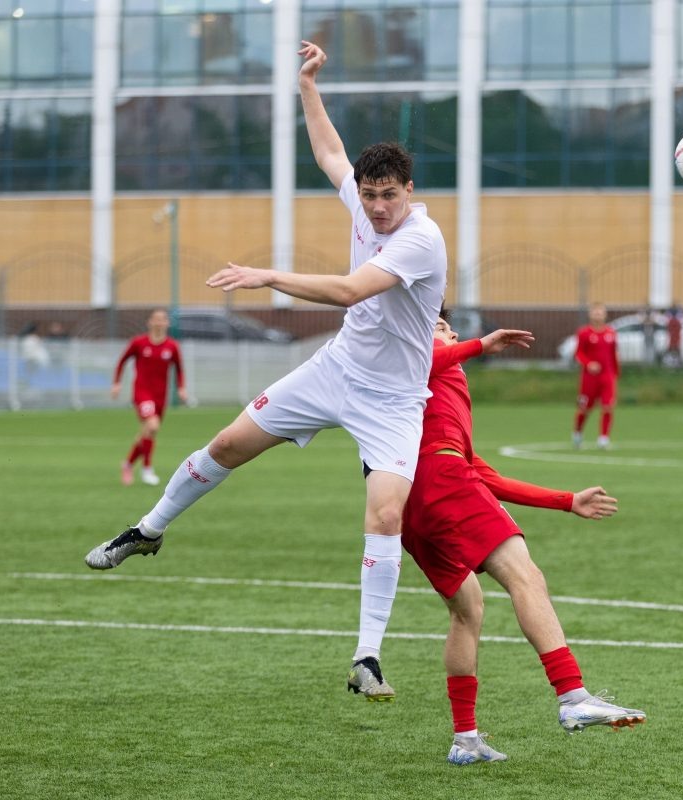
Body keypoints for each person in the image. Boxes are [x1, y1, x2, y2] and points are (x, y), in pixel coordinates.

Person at [84, 40, 448, 702]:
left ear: (409, 192)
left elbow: (347, 292)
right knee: (226, 445)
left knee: (386, 514)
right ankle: (148, 528)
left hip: (395, 401)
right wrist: (308, 86)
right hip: (335, 371)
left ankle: (367, 656)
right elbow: (329, 153)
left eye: (387, 197)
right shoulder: (363, 198)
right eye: (367, 196)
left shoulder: (421, 238)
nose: (374, 208)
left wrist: (268, 275)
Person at [403, 313, 646, 766]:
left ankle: (465, 739)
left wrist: (566, 500)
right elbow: (426, 353)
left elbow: (481, 472)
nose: (450, 332)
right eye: (439, 325)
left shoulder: (440, 382)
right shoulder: (416, 359)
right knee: (525, 577)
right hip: (442, 479)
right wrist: (480, 344)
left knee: (467, 611)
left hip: (411, 502)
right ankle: (573, 695)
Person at [111, 309, 186, 487]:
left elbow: (179, 369)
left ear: (167, 323)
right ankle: (147, 469)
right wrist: (117, 383)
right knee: (152, 425)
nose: (159, 323)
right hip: (142, 392)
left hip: (161, 395)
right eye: (156, 319)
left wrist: (181, 388)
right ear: (149, 322)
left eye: (163, 320)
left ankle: (128, 464)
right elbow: (122, 361)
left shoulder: (172, 346)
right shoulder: (138, 343)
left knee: (148, 432)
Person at [571, 303, 619, 450]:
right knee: (585, 409)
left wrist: (615, 374)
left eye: (601, 312)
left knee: (608, 406)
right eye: (595, 312)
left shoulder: (611, 333)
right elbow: (578, 353)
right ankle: (578, 433)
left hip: (607, 377)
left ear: (605, 315)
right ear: (590, 315)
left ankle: (603, 438)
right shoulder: (584, 333)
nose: (598, 314)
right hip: (589, 378)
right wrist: (589, 363)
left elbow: (614, 356)